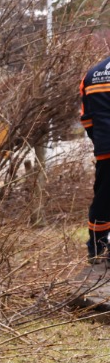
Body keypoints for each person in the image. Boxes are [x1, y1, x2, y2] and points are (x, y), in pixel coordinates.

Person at [80, 54, 110, 262]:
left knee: (104, 197)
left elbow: (87, 119)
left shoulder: (93, 74)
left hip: (106, 148)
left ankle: (97, 247)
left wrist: (100, 141)